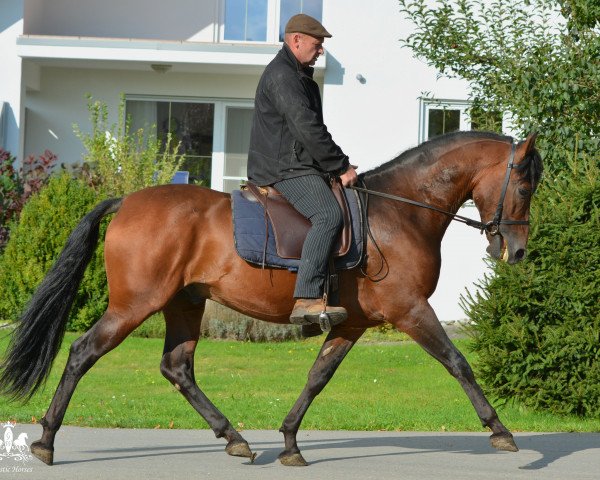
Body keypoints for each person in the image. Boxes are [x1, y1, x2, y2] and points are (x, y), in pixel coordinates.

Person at [247, 13, 358, 326]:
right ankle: (307, 298)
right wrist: (340, 165)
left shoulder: (299, 76)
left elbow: (311, 131)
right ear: (296, 40)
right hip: (283, 169)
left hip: (296, 164)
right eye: (316, 43)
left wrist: (334, 165)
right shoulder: (283, 76)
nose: (320, 49)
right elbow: (307, 129)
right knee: (328, 215)